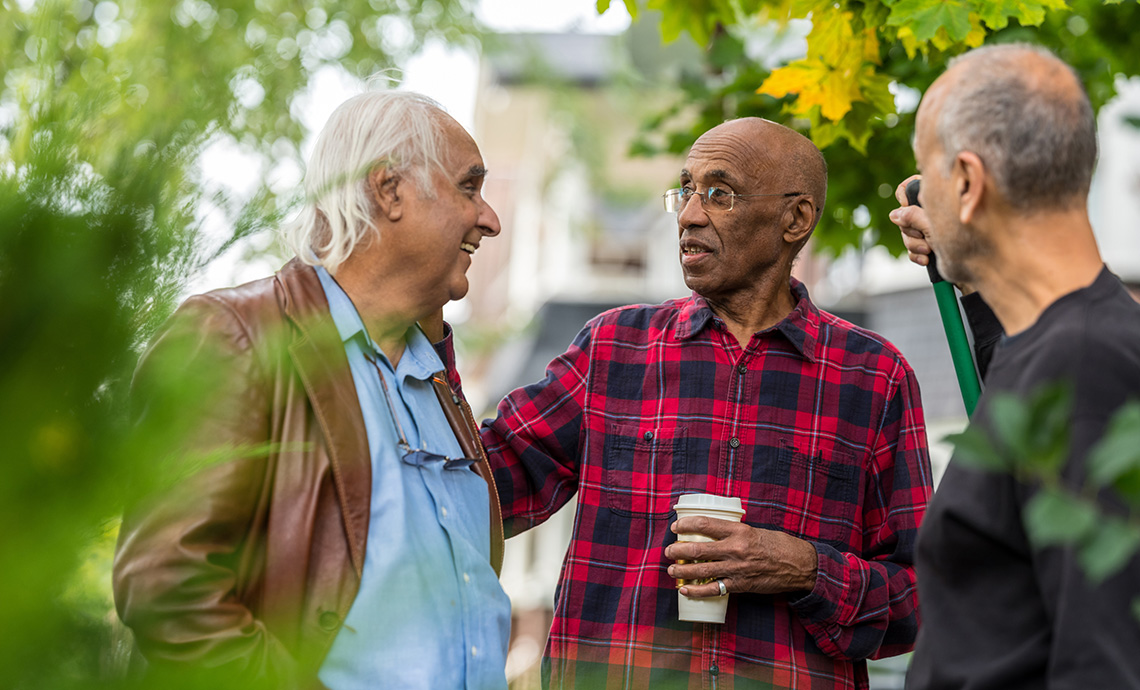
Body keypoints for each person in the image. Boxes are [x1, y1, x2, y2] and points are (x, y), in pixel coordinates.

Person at [475, 118, 933, 688]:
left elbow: (922, 601)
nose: (690, 214)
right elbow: (472, 490)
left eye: (720, 193)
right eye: (686, 189)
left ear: (796, 219)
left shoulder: (874, 377)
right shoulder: (613, 349)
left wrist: (805, 569)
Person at [112, 90, 511, 689]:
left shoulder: (438, 380)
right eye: (468, 187)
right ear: (389, 190)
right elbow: (169, 588)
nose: (490, 218)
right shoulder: (237, 336)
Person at [889, 44, 1140, 688]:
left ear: (968, 184)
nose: (915, 204)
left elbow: (1104, 663)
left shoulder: (1085, 369)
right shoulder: (1071, 345)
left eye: (929, 178)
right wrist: (966, 271)